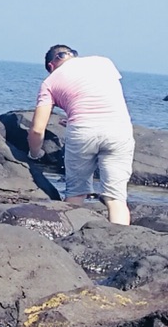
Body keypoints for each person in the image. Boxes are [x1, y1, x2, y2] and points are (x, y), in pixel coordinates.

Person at [24, 44, 134, 225]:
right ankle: (118, 241)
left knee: (76, 193)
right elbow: (99, 93)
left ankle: (71, 240)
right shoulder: (103, 62)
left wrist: (35, 154)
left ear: (51, 66)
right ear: (73, 55)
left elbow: (37, 129)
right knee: (116, 198)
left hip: (83, 132)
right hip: (118, 130)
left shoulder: (50, 82)